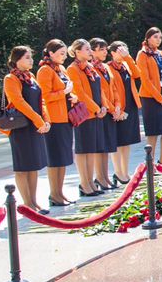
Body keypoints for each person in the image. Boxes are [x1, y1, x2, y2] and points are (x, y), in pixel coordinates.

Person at [2, 45, 49, 214]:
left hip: (35, 126)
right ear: (17, 60)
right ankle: (27, 204)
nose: (31, 60)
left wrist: (46, 120)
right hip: (21, 127)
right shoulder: (11, 78)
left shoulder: (31, 77)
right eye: (27, 57)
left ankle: (34, 202)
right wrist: (38, 120)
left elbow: (41, 101)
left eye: (31, 57)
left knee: (33, 165)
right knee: (23, 166)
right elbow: (18, 102)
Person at [66, 39, 108, 197]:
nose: (90, 52)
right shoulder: (73, 69)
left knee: (91, 149)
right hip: (84, 114)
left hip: (96, 113)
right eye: (87, 49)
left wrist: (104, 106)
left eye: (90, 49)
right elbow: (80, 93)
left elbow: (100, 88)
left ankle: (91, 182)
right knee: (83, 150)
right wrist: (96, 108)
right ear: (77, 51)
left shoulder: (90, 67)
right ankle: (84, 183)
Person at [37, 39, 75, 207]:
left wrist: (72, 96)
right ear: (51, 53)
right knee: (54, 158)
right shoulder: (45, 70)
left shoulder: (61, 69)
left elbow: (69, 90)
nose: (64, 56)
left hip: (66, 117)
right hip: (54, 119)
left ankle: (60, 192)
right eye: (61, 53)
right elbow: (45, 96)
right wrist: (63, 92)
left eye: (65, 53)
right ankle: (54, 194)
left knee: (63, 158)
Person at [137, 27, 162, 167]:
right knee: (153, 132)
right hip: (150, 98)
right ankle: (150, 164)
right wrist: (159, 97)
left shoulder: (161, 54)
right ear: (148, 38)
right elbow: (145, 79)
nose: (158, 40)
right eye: (155, 37)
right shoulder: (142, 55)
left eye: (160, 37)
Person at [91, 39, 127, 187]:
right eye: (101, 49)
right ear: (92, 51)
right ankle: (100, 177)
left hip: (111, 110)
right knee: (100, 146)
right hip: (102, 110)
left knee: (107, 145)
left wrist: (118, 106)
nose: (105, 52)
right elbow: (101, 92)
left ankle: (104, 177)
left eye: (106, 49)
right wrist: (112, 109)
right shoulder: (91, 68)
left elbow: (113, 88)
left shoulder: (105, 66)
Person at [109, 41, 142, 185]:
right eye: (120, 50)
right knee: (118, 141)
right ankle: (118, 172)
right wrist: (116, 108)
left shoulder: (126, 64)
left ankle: (125, 170)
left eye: (125, 49)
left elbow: (137, 74)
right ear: (112, 53)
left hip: (130, 105)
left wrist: (128, 57)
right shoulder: (109, 67)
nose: (123, 52)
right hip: (118, 107)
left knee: (127, 141)